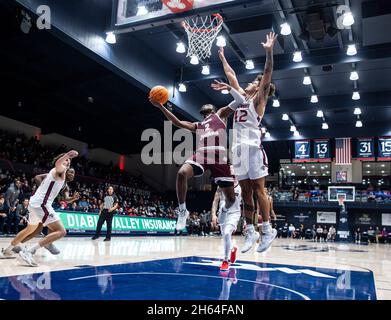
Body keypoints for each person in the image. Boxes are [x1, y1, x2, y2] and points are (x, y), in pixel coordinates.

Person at [150, 84, 245, 271]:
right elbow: (177, 123)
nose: (207, 106)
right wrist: (160, 106)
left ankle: (231, 234)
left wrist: (228, 87)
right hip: (202, 154)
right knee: (181, 173)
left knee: (231, 200)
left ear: (214, 110)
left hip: (219, 156)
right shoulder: (199, 125)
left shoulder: (221, 115)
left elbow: (240, 100)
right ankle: (183, 211)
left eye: (209, 106)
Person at [212, 32, 278, 254]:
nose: (250, 83)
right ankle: (251, 231)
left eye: (255, 82)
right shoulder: (240, 97)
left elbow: (267, 73)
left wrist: (268, 51)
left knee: (259, 190)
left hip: (253, 149)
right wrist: (222, 57)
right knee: (246, 193)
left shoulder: (259, 100)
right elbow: (231, 76)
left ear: (260, 88)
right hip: (238, 152)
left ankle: (267, 229)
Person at [0, 150, 79, 266]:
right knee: (61, 231)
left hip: (36, 203)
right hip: (42, 204)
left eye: (69, 161)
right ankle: (29, 251)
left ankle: (7, 251)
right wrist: (67, 155)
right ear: (62, 160)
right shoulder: (60, 169)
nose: (68, 162)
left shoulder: (61, 175)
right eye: (66, 160)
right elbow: (57, 164)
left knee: (29, 230)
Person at [211, 180, 241, 271]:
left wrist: (248, 222)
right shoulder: (222, 183)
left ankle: (225, 261)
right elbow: (215, 200)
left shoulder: (241, 185)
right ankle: (233, 248)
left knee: (227, 233)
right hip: (222, 214)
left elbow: (247, 202)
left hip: (234, 214)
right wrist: (213, 214)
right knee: (225, 237)